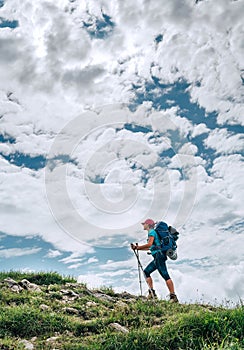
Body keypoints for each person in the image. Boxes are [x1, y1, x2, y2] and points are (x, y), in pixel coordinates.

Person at [131, 218, 178, 302]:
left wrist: (137, 247)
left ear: (148, 225)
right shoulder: (153, 232)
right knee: (146, 272)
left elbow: (149, 245)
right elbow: (152, 247)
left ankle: (173, 297)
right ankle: (152, 293)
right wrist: (137, 248)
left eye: (144, 224)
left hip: (158, 256)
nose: (143, 225)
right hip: (157, 256)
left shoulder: (151, 232)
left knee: (165, 275)